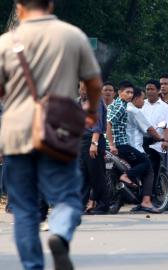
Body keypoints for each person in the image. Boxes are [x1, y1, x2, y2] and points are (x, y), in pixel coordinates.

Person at [0, 0, 102, 268]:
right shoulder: (72, 36)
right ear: (50, 4)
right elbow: (93, 83)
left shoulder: (5, 43)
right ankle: (59, 232)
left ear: (19, 7)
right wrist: (91, 112)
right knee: (68, 196)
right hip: (59, 129)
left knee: (24, 209)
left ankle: (33, 266)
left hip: (17, 132)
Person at [107, 81, 160, 214]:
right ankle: (144, 199)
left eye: (131, 92)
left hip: (117, 144)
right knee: (147, 164)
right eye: (127, 92)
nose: (130, 95)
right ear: (120, 93)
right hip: (122, 144)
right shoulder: (124, 108)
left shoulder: (117, 105)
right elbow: (108, 124)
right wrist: (112, 144)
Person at [79, 82, 109, 215]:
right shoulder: (78, 101)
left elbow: (97, 124)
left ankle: (103, 204)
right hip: (80, 141)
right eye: (82, 87)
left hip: (93, 139)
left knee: (96, 174)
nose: (84, 90)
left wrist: (94, 143)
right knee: (82, 174)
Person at [141, 79, 168, 184]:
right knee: (145, 169)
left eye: (152, 89)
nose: (149, 91)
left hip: (159, 144)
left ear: (158, 91)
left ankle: (163, 196)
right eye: (147, 89)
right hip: (142, 143)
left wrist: (165, 141)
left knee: (161, 170)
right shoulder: (141, 104)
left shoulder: (165, 107)